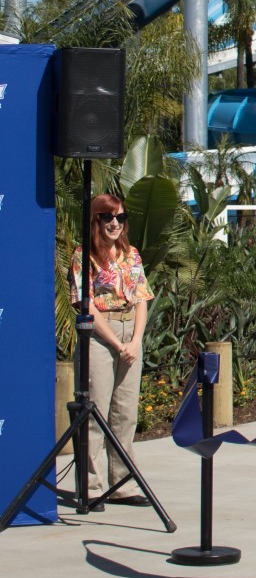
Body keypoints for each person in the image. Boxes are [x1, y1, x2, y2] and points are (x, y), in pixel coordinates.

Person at [67, 193, 155, 509]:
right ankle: (91, 488)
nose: (115, 223)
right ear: (96, 219)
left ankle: (122, 484)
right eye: (108, 217)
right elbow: (86, 304)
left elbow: (141, 298)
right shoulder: (84, 255)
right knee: (95, 412)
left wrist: (135, 341)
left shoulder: (131, 254)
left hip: (130, 334)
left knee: (125, 413)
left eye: (120, 217)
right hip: (100, 337)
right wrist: (117, 344)